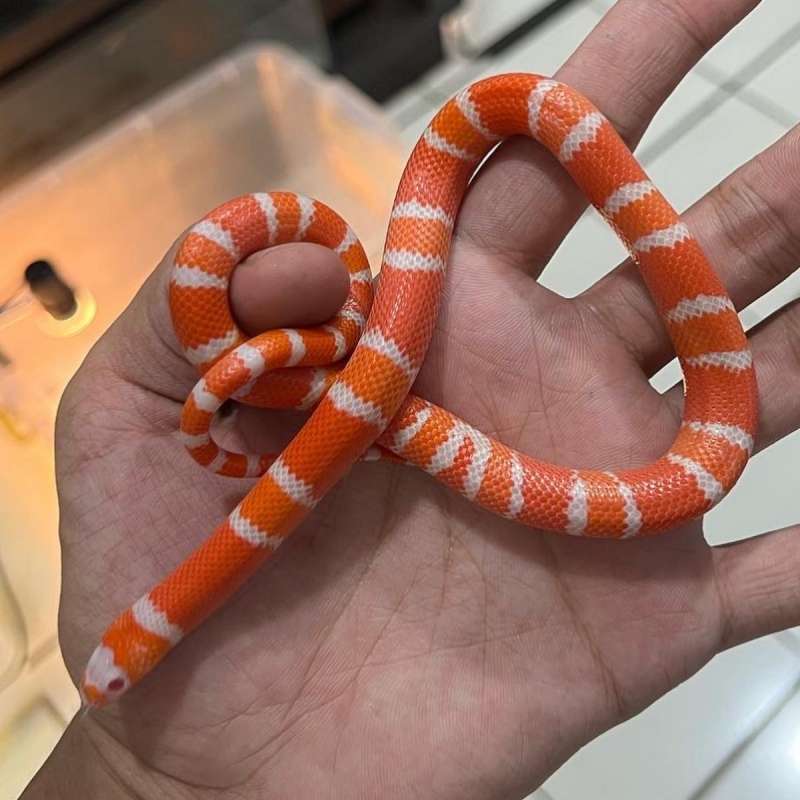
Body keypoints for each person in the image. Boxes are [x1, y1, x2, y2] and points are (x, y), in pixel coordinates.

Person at [23, 0, 800, 797]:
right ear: (155, 625)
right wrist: (127, 774)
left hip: (470, 151)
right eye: (118, 680)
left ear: (156, 625)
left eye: (116, 677)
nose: (109, 693)